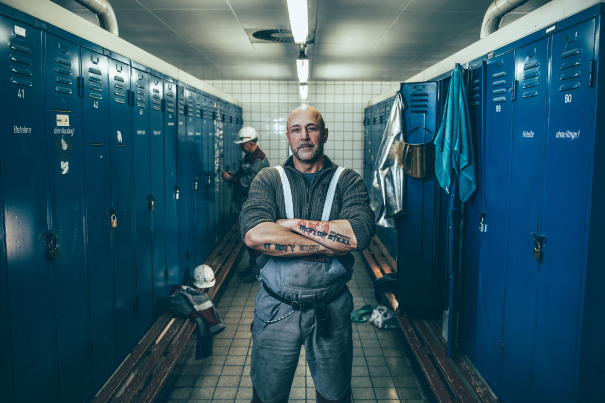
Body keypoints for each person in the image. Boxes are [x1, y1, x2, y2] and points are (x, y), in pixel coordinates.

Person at [240, 106, 376, 403]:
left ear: (324, 134)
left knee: (334, 396)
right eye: (296, 130)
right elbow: (254, 235)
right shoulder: (268, 179)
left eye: (312, 128)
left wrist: (288, 225)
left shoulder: (347, 180)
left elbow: (360, 234)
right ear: (288, 137)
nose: (305, 136)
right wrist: (329, 243)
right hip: (276, 308)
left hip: (331, 309)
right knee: (267, 395)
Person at [222, 126, 270, 282]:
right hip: (246, 202)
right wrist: (234, 174)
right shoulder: (250, 156)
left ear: (250, 142)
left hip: (253, 204)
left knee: (253, 238)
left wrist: (230, 179)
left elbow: (248, 181)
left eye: (242, 144)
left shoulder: (259, 159)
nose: (239, 147)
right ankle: (253, 267)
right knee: (249, 238)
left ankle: (257, 271)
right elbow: (244, 174)